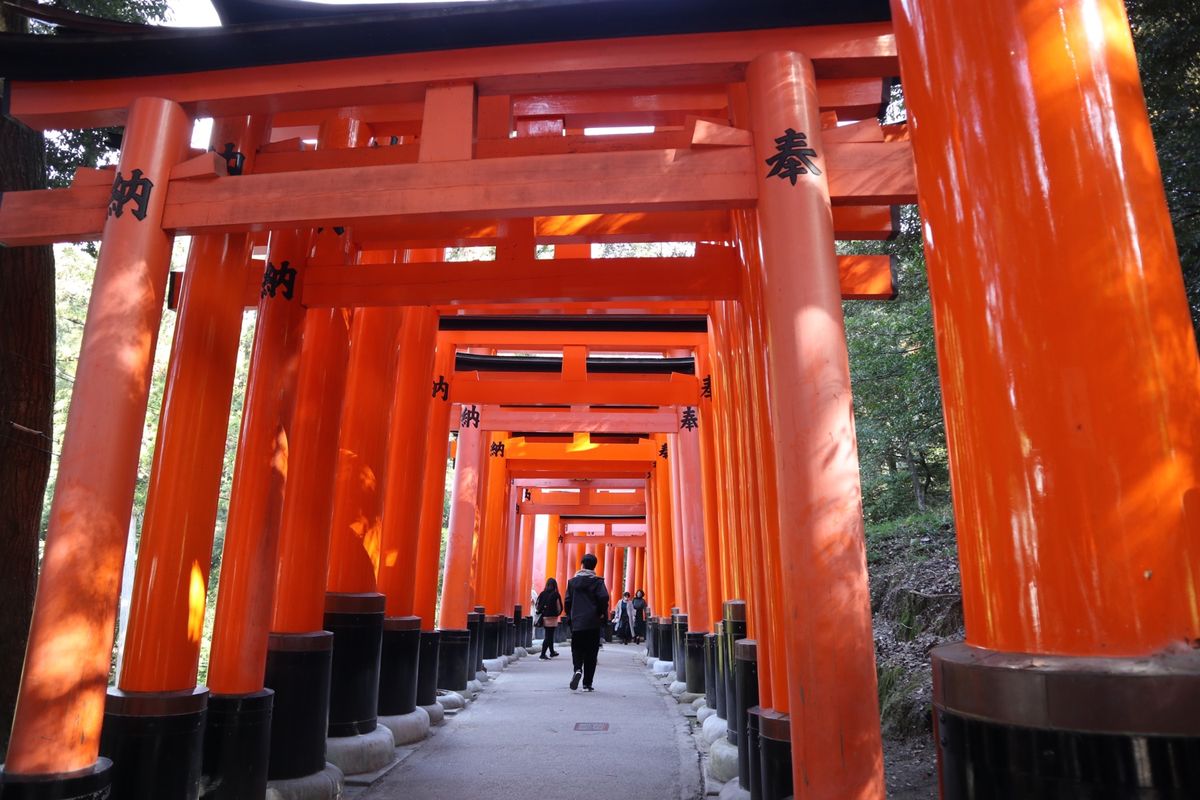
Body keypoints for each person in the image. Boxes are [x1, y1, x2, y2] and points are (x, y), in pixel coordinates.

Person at [564, 552, 609, 691]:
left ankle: (577, 669)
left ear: (582, 565)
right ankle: (587, 684)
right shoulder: (598, 582)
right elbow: (604, 597)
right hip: (593, 622)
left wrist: (570, 616)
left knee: (577, 649)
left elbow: (567, 602)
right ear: (594, 566)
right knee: (591, 652)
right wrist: (601, 613)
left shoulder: (572, 583)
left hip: (577, 622)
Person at [535, 578, 563, 660]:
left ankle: (552, 652)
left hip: (544, 616)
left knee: (549, 634)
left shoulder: (542, 593)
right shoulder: (556, 594)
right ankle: (542, 654)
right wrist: (557, 614)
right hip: (552, 617)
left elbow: (537, 605)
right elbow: (559, 607)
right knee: (549, 635)